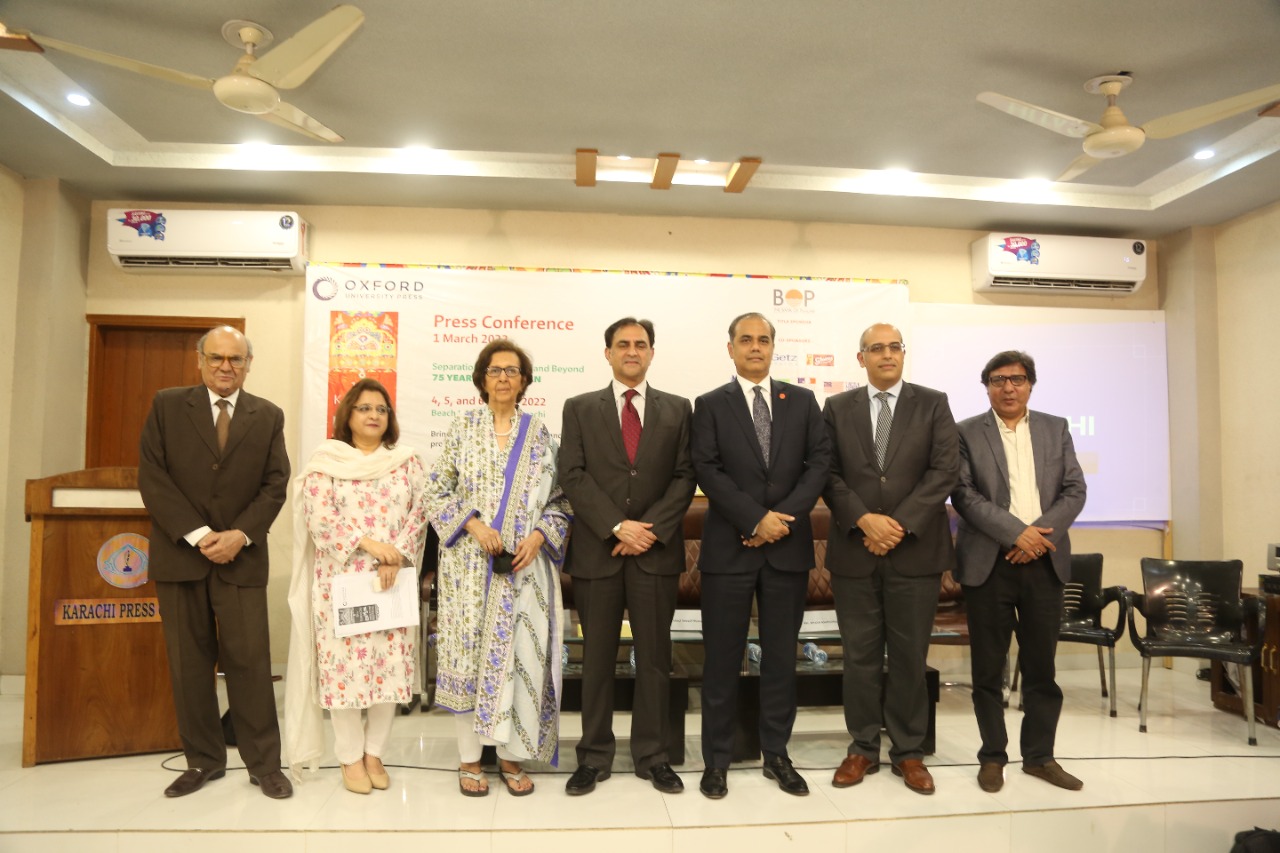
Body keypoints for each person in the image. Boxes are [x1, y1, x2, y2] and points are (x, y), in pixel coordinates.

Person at [137, 325, 292, 799]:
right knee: (189, 665)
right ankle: (203, 761)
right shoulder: (167, 405)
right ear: (200, 360)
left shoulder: (267, 415)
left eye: (236, 359)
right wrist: (201, 535)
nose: (226, 367)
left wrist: (240, 535)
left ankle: (264, 764)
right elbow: (152, 477)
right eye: (217, 358)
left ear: (248, 364)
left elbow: (275, 484)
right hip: (180, 556)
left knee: (251, 663)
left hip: (241, 559)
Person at [691, 312, 831, 799]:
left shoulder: (803, 401)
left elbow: (819, 465)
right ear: (730, 348)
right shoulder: (710, 404)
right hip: (729, 551)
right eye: (746, 339)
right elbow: (707, 469)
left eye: (764, 339)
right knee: (721, 662)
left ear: (774, 347)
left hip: (787, 551)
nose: (756, 347)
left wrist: (779, 522)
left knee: (780, 661)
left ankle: (777, 755)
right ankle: (717, 760)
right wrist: (754, 519)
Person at [424, 339, 572, 797]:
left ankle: (510, 757)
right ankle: (470, 760)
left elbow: (560, 500)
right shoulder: (462, 428)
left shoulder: (541, 435)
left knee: (518, 659)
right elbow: (435, 491)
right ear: (482, 379)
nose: (503, 378)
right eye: (495, 370)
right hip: (468, 569)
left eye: (512, 371)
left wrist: (539, 536)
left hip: (523, 570)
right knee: (468, 661)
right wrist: (473, 525)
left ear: (524, 380)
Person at [558, 318, 696, 796]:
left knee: (654, 660)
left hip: (654, 555)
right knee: (596, 660)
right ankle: (593, 756)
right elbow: (572, 474)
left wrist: (646, 531)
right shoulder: (579, 408)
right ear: (608, 353)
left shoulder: (678, 408)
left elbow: (685, 476)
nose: (632, 351)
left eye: (641, 344)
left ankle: (653, 756)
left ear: (652, 353)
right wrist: (617, 526)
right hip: (598, 553)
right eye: (623, 344)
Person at [822, 322, 958, 795]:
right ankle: (862, 747)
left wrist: (895, 525)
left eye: (894, 347)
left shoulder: (933, 403)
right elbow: (827, 473)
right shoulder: (837, 407)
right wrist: (865, 521)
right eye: (876, 348)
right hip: (855, 551)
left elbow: (944, 471)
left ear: (903, 353)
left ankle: (909, 751)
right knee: (859, 657)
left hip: (915, 551)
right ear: (861, 358)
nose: (886, 355)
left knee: (909, 657)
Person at [285, 379, 430, 793]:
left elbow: (421, 513)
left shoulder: (407, 462)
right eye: (364, 408)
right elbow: (320, 519)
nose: (373, 415)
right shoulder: (326, 463)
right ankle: (349, 758)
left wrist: (396, 556)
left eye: (381, 409)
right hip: (341, 582)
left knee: (389, 669)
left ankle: (374, 753)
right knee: (344, 672)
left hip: (393, 579)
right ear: (347, 414)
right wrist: (373, 546)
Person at [951, 350, 1087, 793]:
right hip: (988, 564)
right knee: (988, 670)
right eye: (998, 380)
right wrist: (1016, 534)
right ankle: (993, 757)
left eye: (1017, 379)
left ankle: (1040, 757)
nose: (1008, 387)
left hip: (1044, 562)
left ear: (1030, 384)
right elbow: (964, 495)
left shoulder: (1055, 428)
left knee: (1041, 669)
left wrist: (1038, 537)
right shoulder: (965, 432)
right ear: (986, 386)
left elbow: (1074, 490)